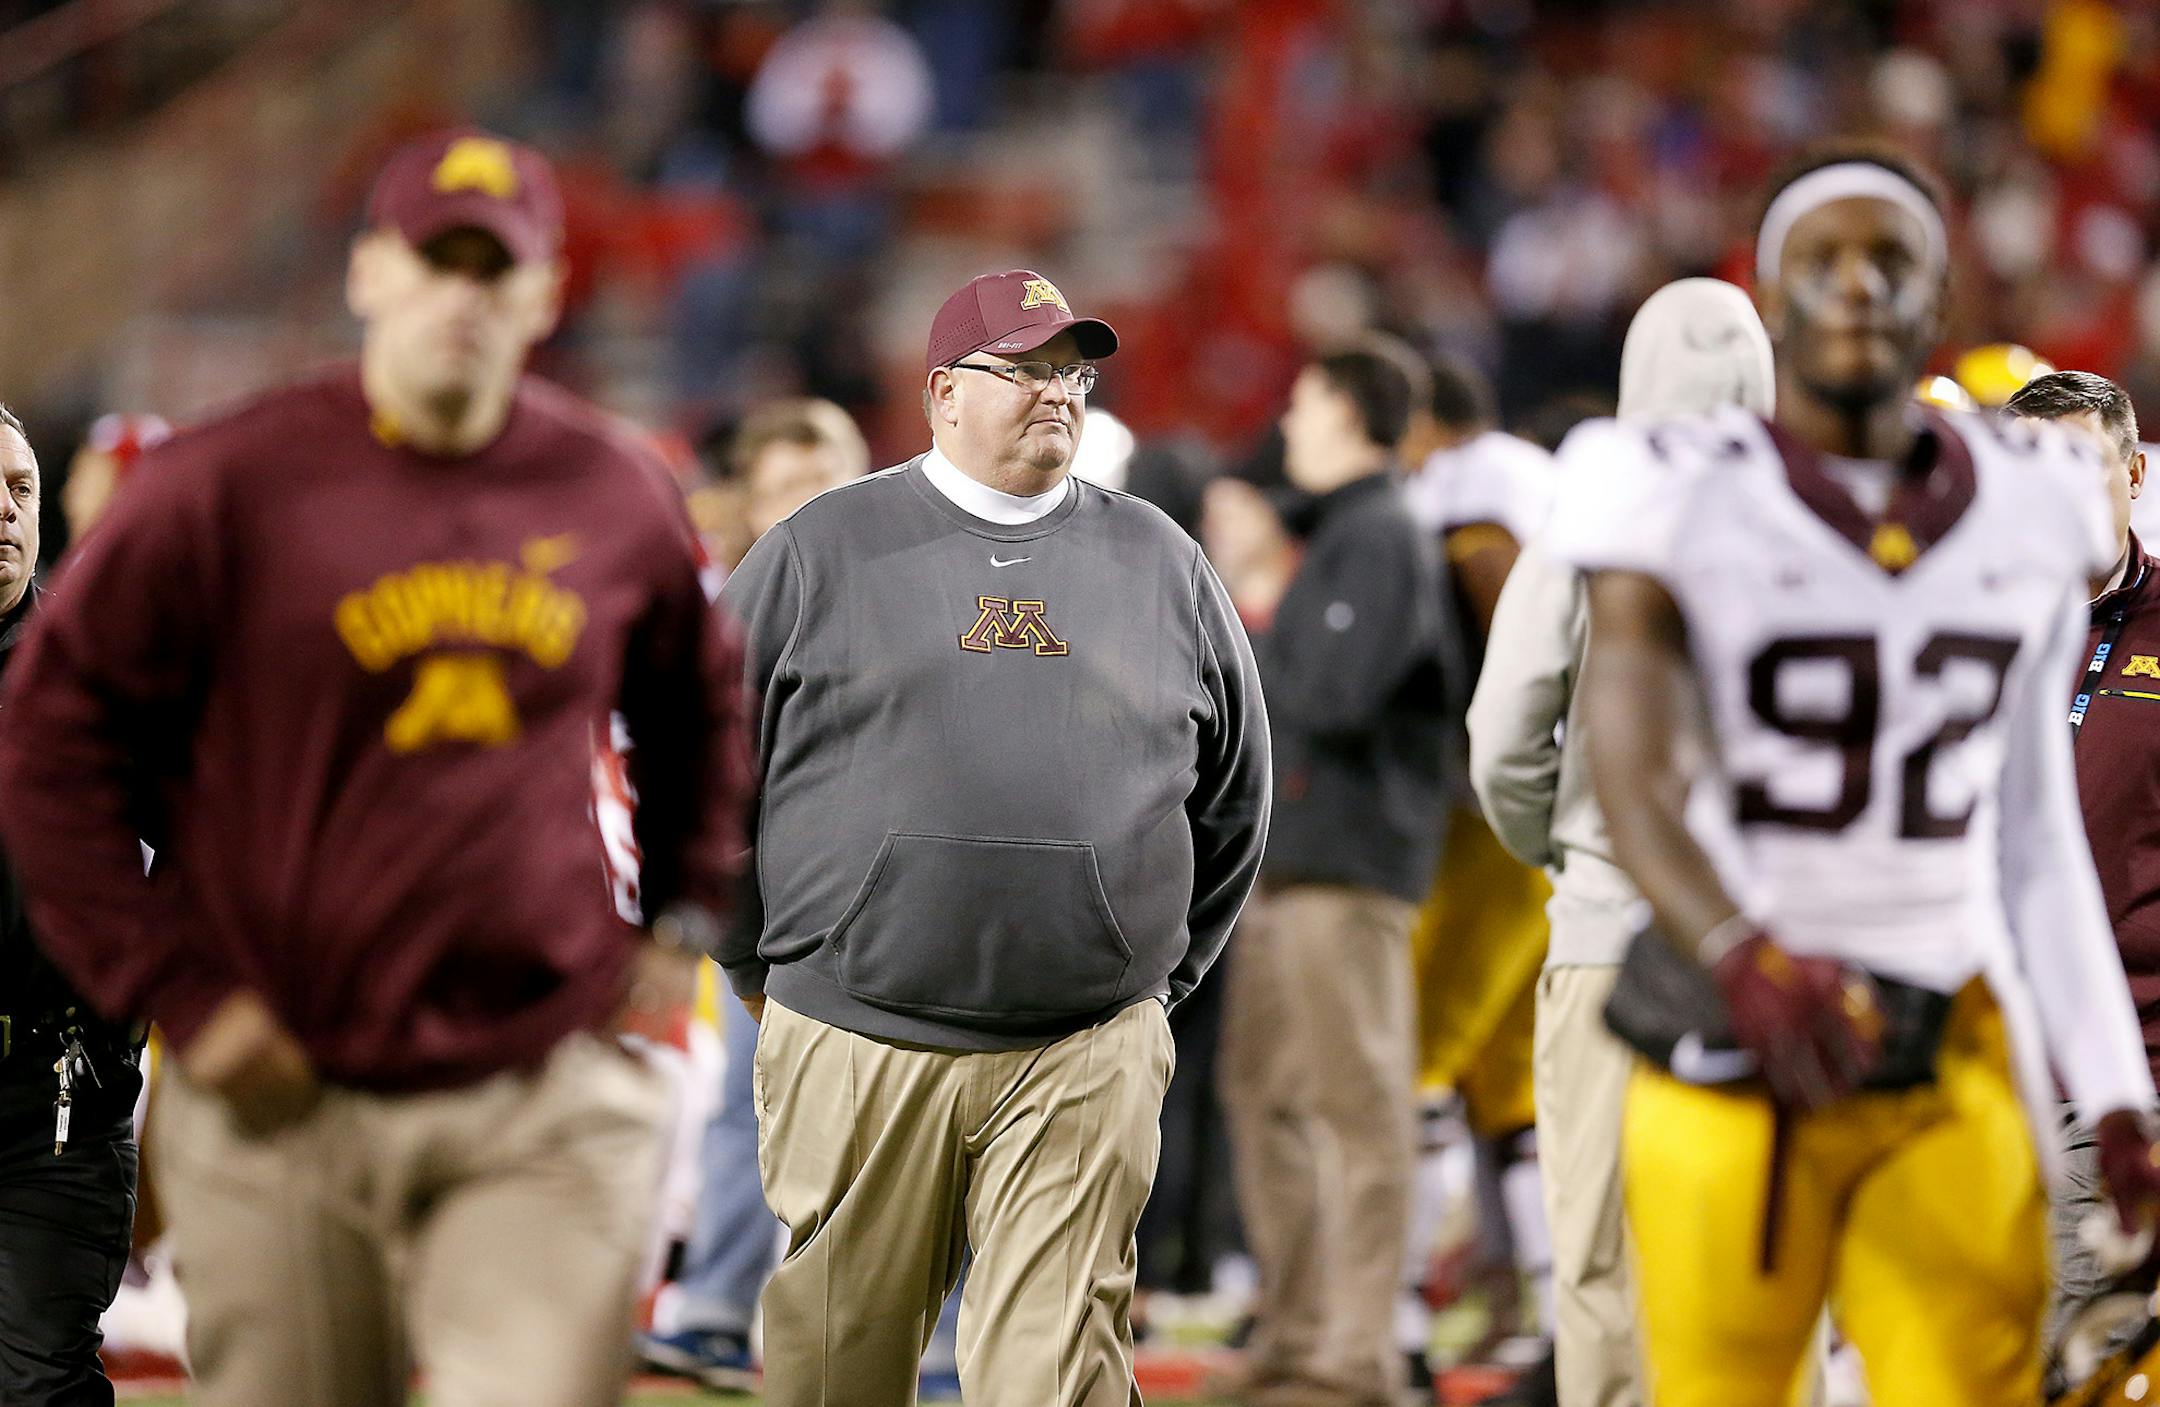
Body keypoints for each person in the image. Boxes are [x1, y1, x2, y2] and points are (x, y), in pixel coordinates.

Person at [0, 128, 754, 1407]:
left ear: (543, 294)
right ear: (368, 276)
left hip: (527, 1079)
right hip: (283, 1081)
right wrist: (169, 986)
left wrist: (680, 908)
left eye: (494, 268)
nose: (462, 295)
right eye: (433, 260)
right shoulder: (223, 487)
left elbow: (700, 708)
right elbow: (48, 749)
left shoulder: (610, 487)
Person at [1544, 144, 2160, 1406]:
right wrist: (1735, 949)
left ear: (1939, 297)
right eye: (1822, 261)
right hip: (1732, 1051)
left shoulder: (2037, 504)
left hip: (1952, 1044)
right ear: (1769, 301)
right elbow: (1631, 765)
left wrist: (2111, 1084)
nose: (1857, 287)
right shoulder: (1664, 489)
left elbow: (2038, 836)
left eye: (1892, 260)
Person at [720, 268, 1270, 1407]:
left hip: (1083, 1045)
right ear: (941, 396)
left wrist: (1149, 985)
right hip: (857, 1033)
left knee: (1058, 1377)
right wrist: (754, 963)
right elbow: (703, 774)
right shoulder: (823, 546)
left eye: (1072, 371)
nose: (1057, 392)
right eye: (1021, 369)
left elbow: (1235, 797)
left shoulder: (1163, 559)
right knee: (833, 1373)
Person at [1468, 277, 1775, 1407]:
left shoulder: (1585, 518)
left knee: (1600, 1263)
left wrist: (1569, 845)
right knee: (1766, 1260)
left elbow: (1503, 733)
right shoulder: (1820, 521)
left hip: (1608, 940)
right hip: (1767, 945)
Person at [1218, 337, 1453, 1407]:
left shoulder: (1382, 534)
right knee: (1265, 1097)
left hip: (1349, 868)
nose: (1289, 426)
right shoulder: (1342, 536)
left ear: (1355, 415)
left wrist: (1254, 626)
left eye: (1305, 405)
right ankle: (1298, 1334)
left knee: (1355, 1112)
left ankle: (1356, 1354)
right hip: (1290, 868)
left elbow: (1336, 695)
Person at [640, 396, 869, 1392]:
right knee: (745, 1108)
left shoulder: (914, 594)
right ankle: (720, 1309)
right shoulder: (731, 607)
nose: (801, 506)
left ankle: (919, 1337)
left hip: (882, 909)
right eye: (781, 488)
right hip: (770, 910)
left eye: (818, 483)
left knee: (902, 1130)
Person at [1393, 352, 1558, 1396]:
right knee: (1511, 1089)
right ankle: (1550, 1310)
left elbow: (1496, 586)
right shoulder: (1526, 475)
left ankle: (1402, 1312)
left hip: (1498, 816)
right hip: (1532, 824)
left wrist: (1500, 738)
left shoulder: (1476, 492)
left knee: (1419, 1064)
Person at [1999, 370, 2159, 1384]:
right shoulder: (1962, 637)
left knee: (2074, 1366)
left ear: (2136, 474)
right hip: (1973, 1072)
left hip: (2123, 1073)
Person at [0, 406, 145, 1406]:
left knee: (37, 1386)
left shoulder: (98, 673)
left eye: (19, 490)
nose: (5, 513)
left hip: (47, 1107)